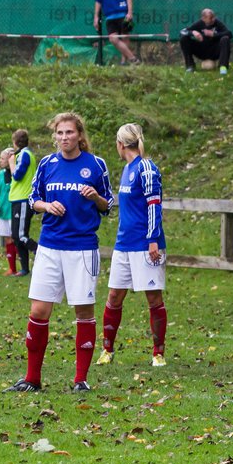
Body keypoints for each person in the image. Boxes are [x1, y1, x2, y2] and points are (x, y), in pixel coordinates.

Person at [5, 112, 114, 393]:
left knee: (84, 311)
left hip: (82, 248)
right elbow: (32, 198)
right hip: (50, 246)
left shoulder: (95, 164)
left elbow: (108, 205)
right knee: (39, 310)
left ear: (79, 135)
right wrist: (46, 206)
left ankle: (80, 380)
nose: (64, 137)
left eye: (70, 132)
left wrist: (95, 198)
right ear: (55, 136)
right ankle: (32, 379)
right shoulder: (46, 164)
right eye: (60, 133)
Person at [99, 124, 169, 367]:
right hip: (123, 244)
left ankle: (158, 353)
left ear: (120, 144)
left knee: (153, 298)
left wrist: (153, 240)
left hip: (145, 244)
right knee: (114, 296)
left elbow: (154, 204)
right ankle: (107, 350)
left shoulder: (146, 167)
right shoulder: (127, 169)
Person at [93, 0, 136, 65]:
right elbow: (98, 1)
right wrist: (96, 17)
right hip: (109, 17)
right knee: (113, 39)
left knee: (125, 37)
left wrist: (130, 12)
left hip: (123, 14)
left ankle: (123, 62)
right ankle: (133, 58)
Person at [8, 129, 39, 277]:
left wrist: (12, 164)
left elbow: (18, 175)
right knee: (16, 235)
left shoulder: (25, 155)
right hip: (17, 198)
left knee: (20, 235)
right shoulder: (23, 154)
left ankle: (40, 251)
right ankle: (25, 268)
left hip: (23, 199)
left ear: (15, 142)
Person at [179, 8, 233, 75]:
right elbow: (182, 32)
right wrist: (193, 32)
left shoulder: (217, 23)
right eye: (210, 18)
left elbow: (229, 34)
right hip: (202, 51)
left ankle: (223, 67)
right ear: (203, 18)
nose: (213, 19)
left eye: (213, 16)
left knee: (225, 39)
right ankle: (190, 66)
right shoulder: (199, 24)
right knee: (184, 39)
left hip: (215, 51)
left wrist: (214, 35)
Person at [0, 148, 17, 275]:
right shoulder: (0, 175)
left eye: (2, 158)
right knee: (8, 239)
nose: (0, 161)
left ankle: (23, 266)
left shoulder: (16, 174)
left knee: (16, 239)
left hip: (14, 210)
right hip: (3, 211)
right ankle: (12, 268)